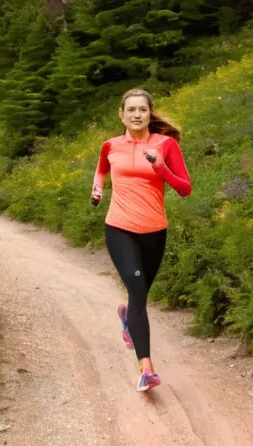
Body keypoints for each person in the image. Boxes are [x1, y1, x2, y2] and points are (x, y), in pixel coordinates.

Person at [90, 88, 192, 392]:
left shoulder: (166, 144)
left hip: (154, 231)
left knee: (139, 298)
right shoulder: (110, 145)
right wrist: (97, 190)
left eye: (142, 110)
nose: (137, 114)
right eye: (131, 110)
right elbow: (101, 171)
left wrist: (161, 168)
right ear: (121, 114)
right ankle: (146, 368)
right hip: (119, 228)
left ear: (150, 113)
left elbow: (185, 188)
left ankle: (126, 319)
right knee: (136, 288)